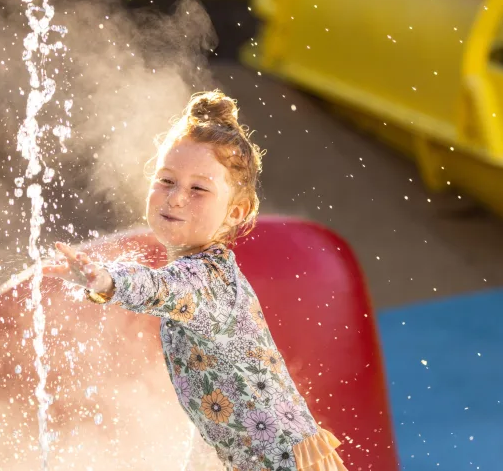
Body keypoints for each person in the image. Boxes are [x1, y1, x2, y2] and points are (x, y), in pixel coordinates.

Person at [43, 91, 348, 471]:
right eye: (166, 180)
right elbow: (214, 409)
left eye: (198, 189)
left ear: (235, 211)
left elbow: (159, 289)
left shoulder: (208, 280)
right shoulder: (205, 271)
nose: (175, 198)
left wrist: (106, 280)